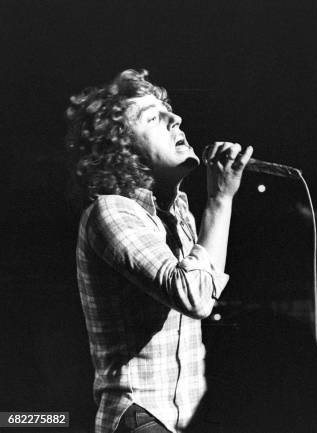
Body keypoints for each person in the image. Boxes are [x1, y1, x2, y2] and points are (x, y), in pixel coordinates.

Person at [66, 69, 252, 433]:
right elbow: (194, 296)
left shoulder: (178, 210)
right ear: (121, 149)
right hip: (142, 415)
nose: (176, 118)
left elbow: (205, 293)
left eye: (169, 110)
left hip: (188, 413)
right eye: (153, 117)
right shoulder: (111, 211)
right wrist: (219, 201)